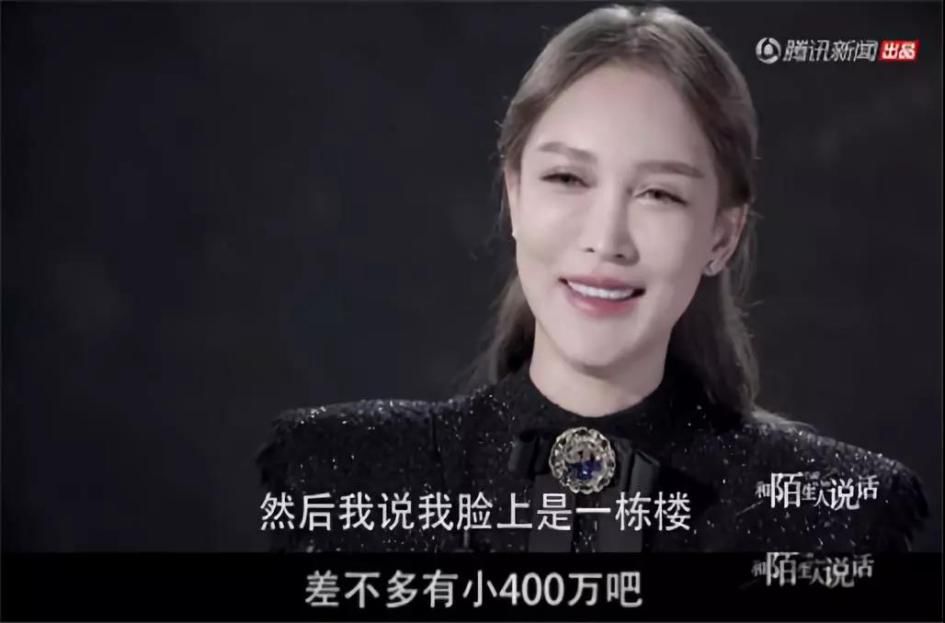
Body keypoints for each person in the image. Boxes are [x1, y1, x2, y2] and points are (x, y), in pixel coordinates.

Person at [256, 4, 928, 553]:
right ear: (515, 195)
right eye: (567, 178)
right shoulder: (349, 477)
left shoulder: (832, 512)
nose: (605, 240)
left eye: (659, 194)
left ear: (721, 236)